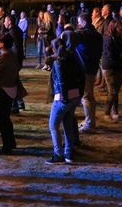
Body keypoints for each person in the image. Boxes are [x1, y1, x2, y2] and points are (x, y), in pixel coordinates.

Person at [46, 35, 84, 164]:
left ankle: (58, 154)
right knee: (68, 125)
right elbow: (81, 75)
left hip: (63, 98)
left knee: (53, 125)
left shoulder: (58, 63)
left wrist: (64, 98)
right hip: (74, 96)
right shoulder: (72, 59)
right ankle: (69, 154)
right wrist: (79, 93)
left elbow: (61, 82)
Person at [0, 33, 20, 154]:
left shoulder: (3, 58)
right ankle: (11, 142)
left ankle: (6, 145)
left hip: (4, 89)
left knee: (2, 118)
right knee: (6, 117)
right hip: (12, 88)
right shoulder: (12, 55)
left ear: (2, 44)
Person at [76, 13, 103, 133]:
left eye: (79, 22)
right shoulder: (97, 34)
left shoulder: (84, 34)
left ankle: (89, 124)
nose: (78, 24)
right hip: (92, 68)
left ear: (84, 22)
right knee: (89, 96)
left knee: (86, 96)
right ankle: (89, 120)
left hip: (85, 69)